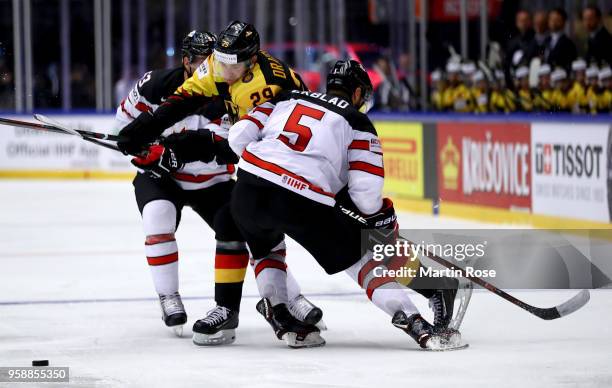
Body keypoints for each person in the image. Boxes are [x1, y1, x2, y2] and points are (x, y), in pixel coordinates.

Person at [226, 60, 463, 350]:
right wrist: (377, 215)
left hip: (248, 190)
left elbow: (237, 137)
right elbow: (366, 198)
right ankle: (416, 323)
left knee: (266, 250)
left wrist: (272, 161)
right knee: (362, 256)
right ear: (356, 93)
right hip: (302, 200)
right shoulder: (357, 121)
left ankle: (280, 314)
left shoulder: (285, 98)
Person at [115, 24, 323, 345]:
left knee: (261, 229)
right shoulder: (214, 69)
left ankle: (286, 301)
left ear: (251, 60)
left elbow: (237, 147)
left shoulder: (262, 87)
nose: (219, 70)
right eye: (213, 60)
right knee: (225, 222)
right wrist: (143, 136)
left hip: (289, 173)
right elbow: (176, 104)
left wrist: (184, 148)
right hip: (173, 179)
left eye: (229, 64)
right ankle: (219, 308)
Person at [544, 8, 577, 72]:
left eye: (557, 20)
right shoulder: (546, 41)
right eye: (551, 19)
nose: (553, 22)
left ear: (564, 22)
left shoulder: (568, 44)